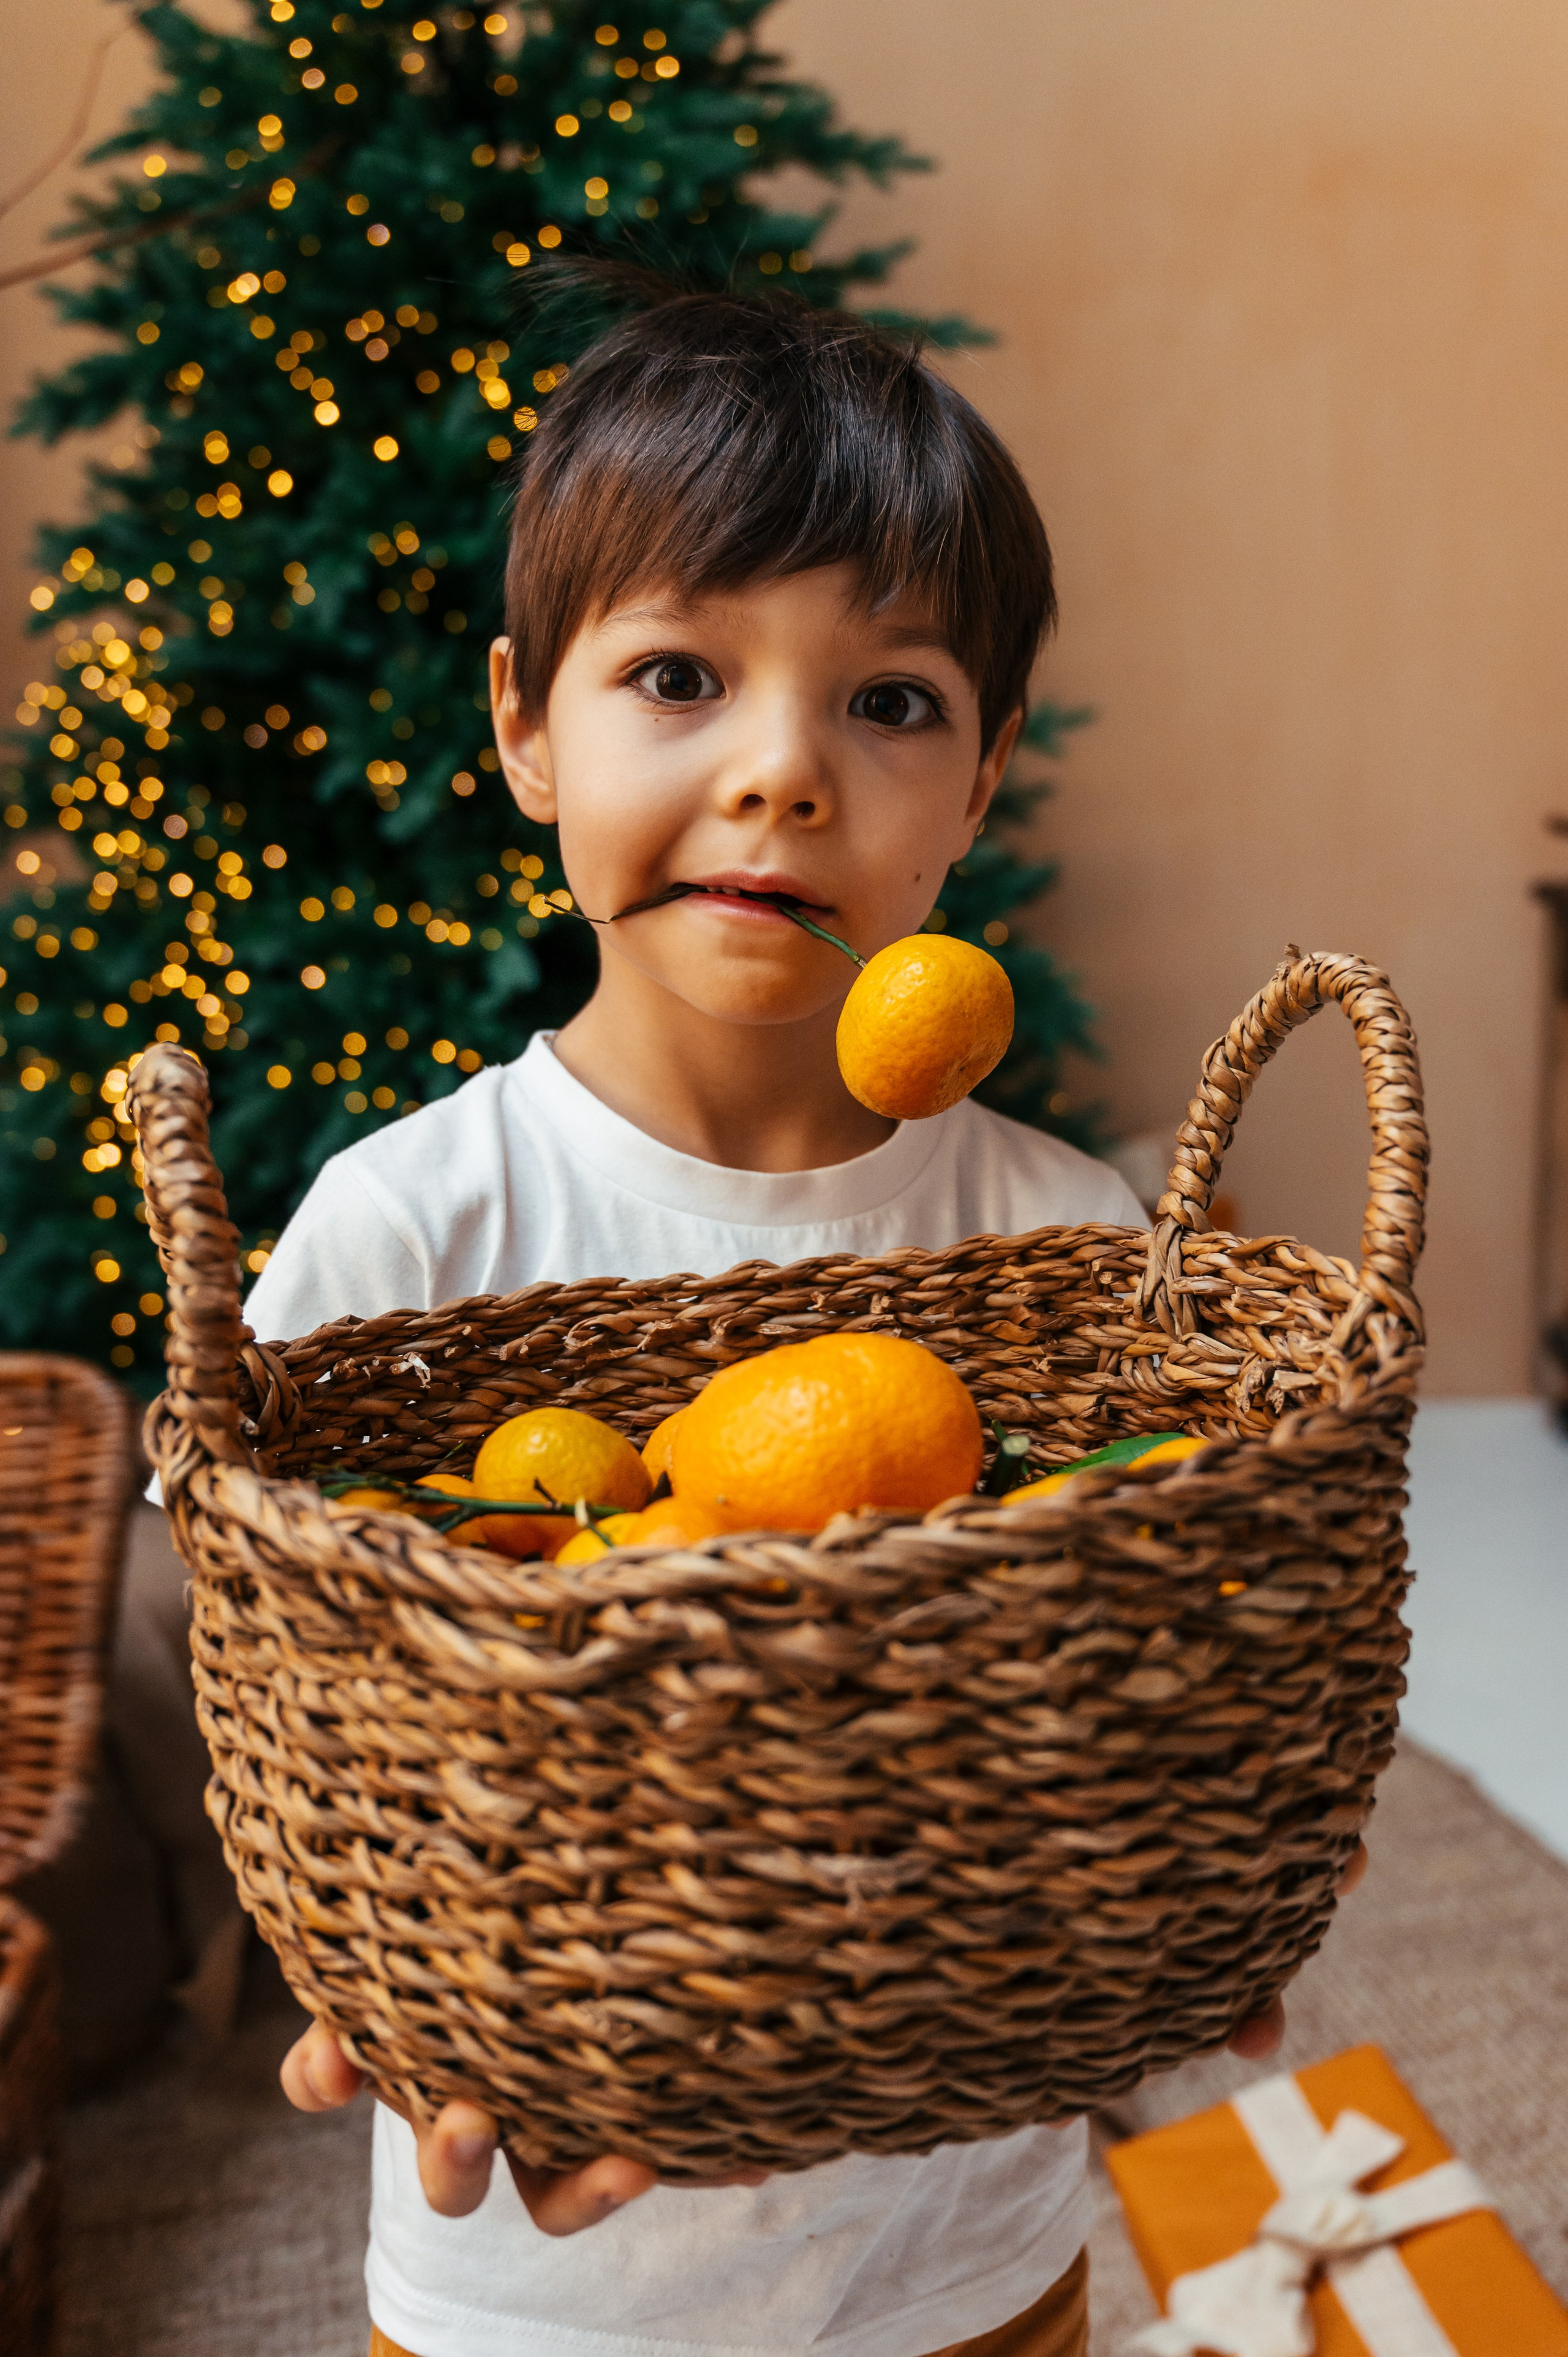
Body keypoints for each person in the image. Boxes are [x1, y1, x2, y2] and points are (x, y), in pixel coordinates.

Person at [258, 277, 1314, 2357]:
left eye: (892, 702)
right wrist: (379, 1994)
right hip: (542, 2290)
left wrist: (1171, 1899)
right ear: (522, 727)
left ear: (990, 771)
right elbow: (310, 1730)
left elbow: (1126, 1697)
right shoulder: (404, 1238)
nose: (782, 774)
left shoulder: (1067, 1239)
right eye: (677, 674)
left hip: (969, 2259)